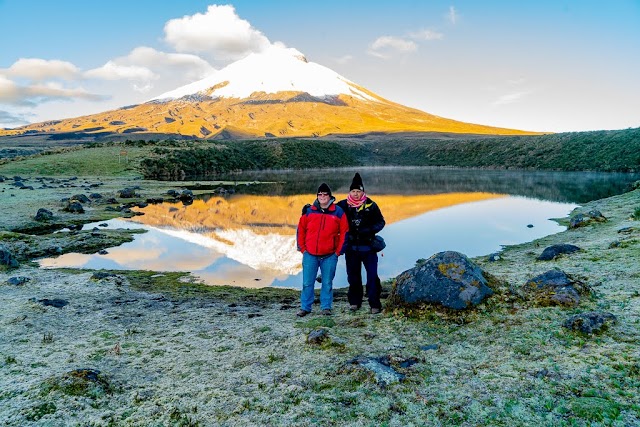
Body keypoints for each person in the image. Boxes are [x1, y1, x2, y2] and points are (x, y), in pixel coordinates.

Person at [296, 183, 349, 317]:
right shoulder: (309, 211)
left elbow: (344, 232)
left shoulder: (338, 212)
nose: (322, 197)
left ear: (330, 196)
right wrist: (302, 248)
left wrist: (338, 252)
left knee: (327, 282)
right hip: (310, 254)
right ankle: (305, 307)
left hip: (330, 255)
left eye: (325, 194)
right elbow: (301, 229)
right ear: (317, 196)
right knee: (307, 282)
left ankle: (326, 307)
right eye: (320, 194)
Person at [337, 173, 386, 314]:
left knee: (372, 276)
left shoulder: (371, 204)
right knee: (353, 276)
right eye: (353, 191)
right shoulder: (343, 205)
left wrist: (369, 230)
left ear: (363, 191)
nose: (356, 194)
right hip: (351, 249)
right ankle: (354, 302)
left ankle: (374, 304)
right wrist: (311, 208)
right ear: (350, 192)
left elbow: (381, 222)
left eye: (359, 191)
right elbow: (329, 211)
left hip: (369, 248)